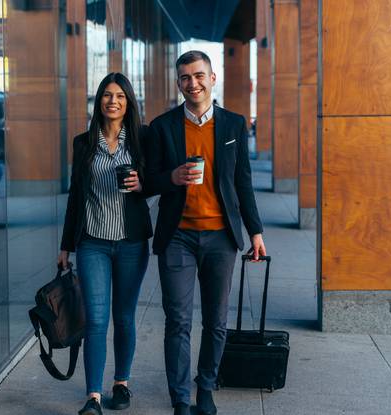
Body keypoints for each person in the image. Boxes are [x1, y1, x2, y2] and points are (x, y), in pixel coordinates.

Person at [143, 51, 267, 415]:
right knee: (177, 319)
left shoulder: (233, 125)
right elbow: (147, 182)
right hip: (177, 235)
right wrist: (171, 178)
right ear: (178, 83)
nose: (192, 83)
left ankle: (206, 387)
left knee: (216, 319)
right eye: (184, 77)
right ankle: (180, 398)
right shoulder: (163, 127)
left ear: (213, 79)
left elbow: (242, 183)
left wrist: (255, 232)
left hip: (221, 238)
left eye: (199, 76)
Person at [58, 72, 152, 415]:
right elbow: (74, 198)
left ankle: (121, 383)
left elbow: (155, 184)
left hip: (131, 243)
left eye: (120, 97)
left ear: (128, 104)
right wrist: (65, 246)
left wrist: (142, 184)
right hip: (92, 243)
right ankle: (93, 397)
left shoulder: (142, 141)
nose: (113, 101)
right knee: (96, 320)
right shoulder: (83, 143)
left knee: (124, 316)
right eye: (107, 96)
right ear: (99, 101)